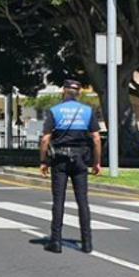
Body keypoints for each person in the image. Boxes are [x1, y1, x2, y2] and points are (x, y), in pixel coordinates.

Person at [39, 79, 102, 254]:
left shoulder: (54, 111)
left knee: (58, 201)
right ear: (79, 93)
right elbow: (96, 138)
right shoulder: (88, 111)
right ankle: (87, 243)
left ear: (63, 92)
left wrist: (43, 161)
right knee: (83, 201)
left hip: (60, 159)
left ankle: (56, 241)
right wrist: (96, 162)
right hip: (81, 158)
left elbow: (45, 139)